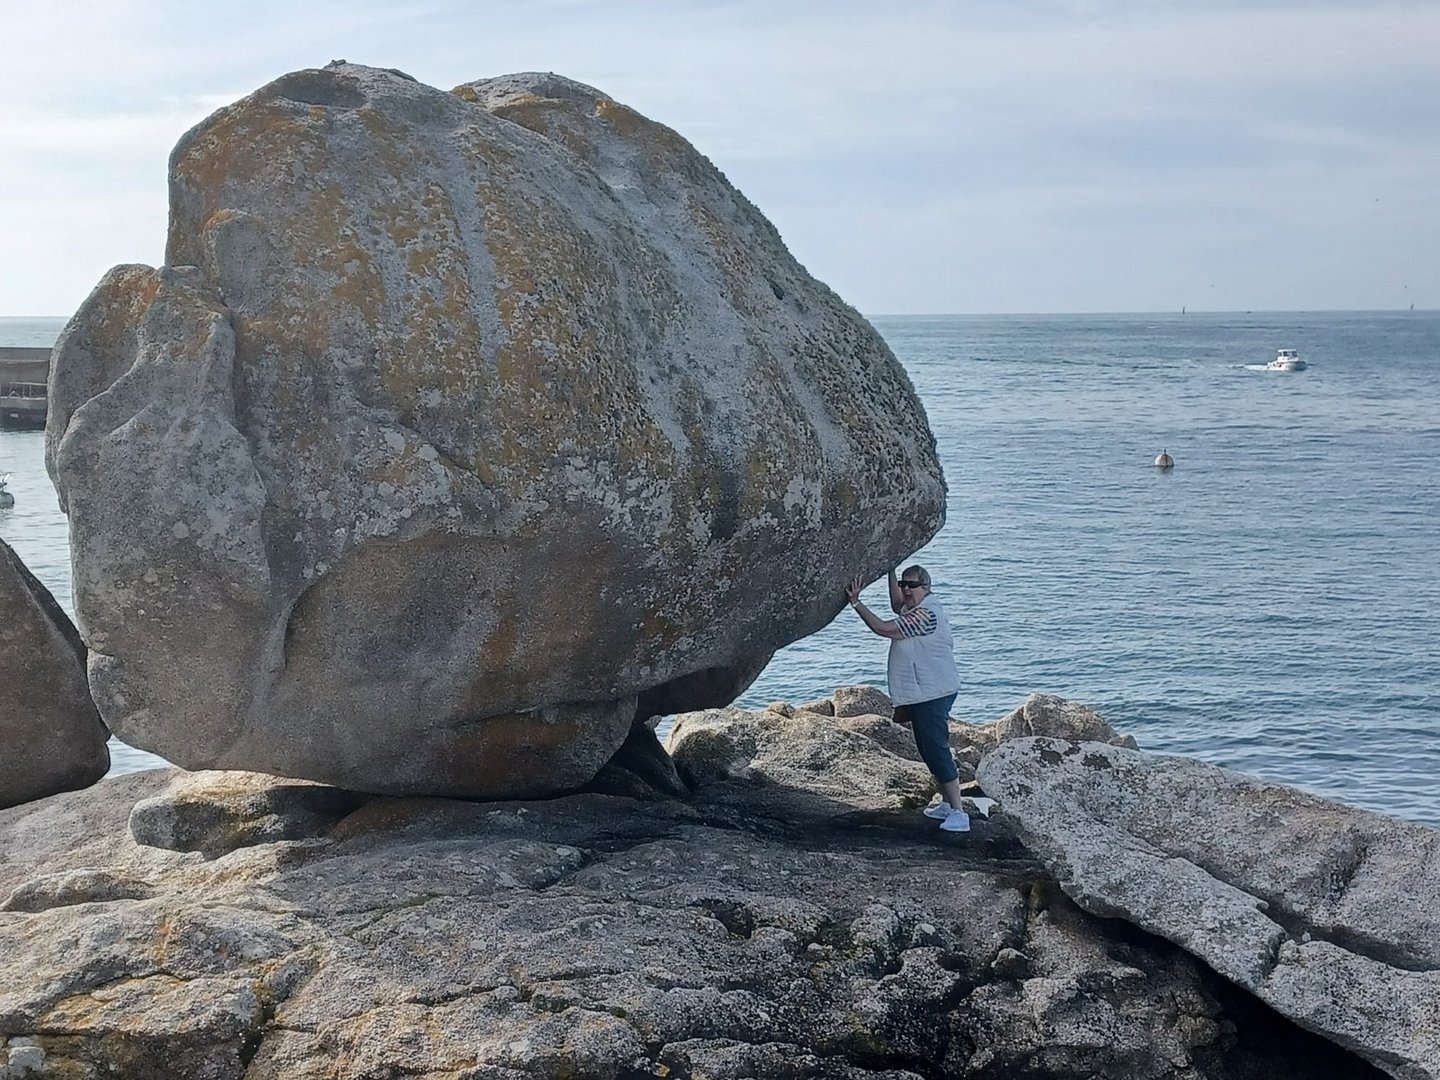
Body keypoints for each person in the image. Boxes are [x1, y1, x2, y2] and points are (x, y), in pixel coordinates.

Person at [844, 565, 969, 832]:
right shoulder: (913, 607)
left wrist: (857, 603)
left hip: (934, 693)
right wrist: (892, 570)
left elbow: (885, 629)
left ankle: (959, 812)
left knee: (936, 749)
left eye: (912, 585)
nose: (906, 590)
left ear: (926, 587)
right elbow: (896, 604)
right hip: (923, 693)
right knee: (926, 748)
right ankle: (947, 804)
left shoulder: (926, 616)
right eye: (904, 584)